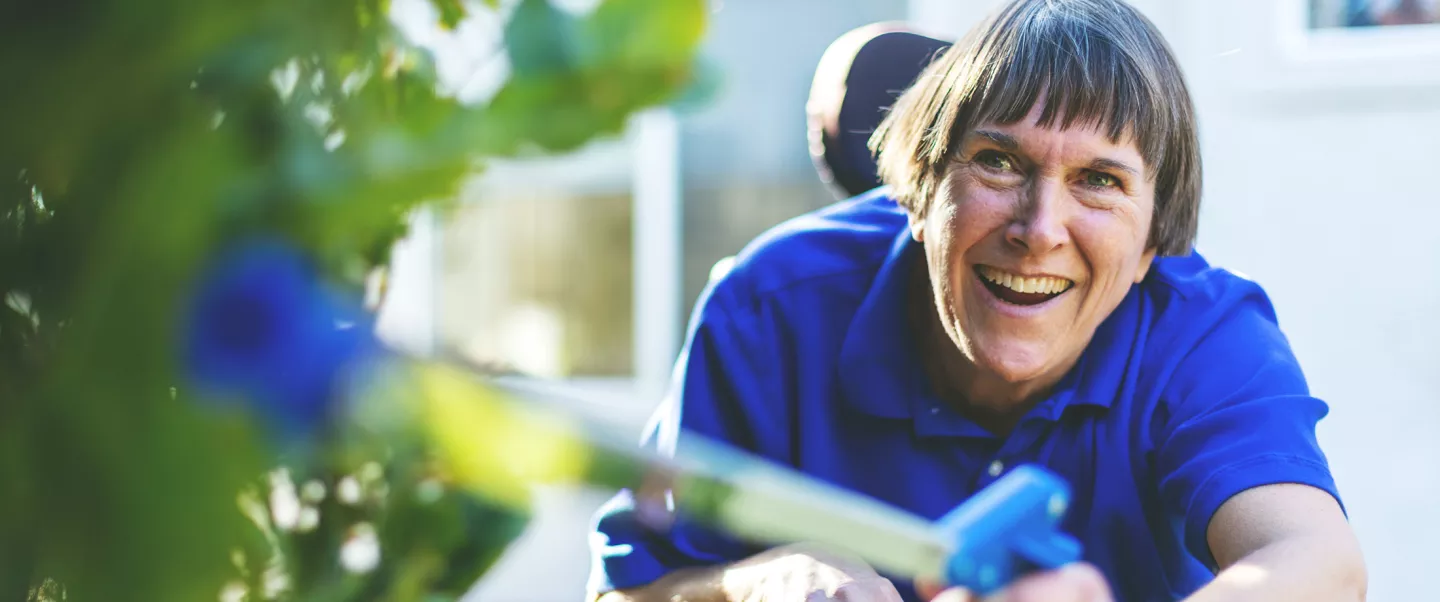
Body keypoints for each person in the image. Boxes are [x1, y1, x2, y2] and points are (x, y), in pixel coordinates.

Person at [587, 1, 1368, 600]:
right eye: (999, 162)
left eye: (1099, 180)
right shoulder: (770, 309)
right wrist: (759, 581)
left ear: (1153, 245)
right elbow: (624, 591)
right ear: (918, 192)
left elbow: (1317, 562)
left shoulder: (1201, 332)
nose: (1040, 229)